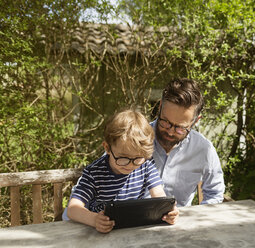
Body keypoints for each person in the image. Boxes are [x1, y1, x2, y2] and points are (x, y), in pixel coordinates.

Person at [66, 109, 179, 233]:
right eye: (123, 158)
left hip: (131, 229)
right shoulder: (94, 173)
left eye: (137, 158)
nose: (130, 165)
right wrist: (94, 220)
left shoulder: (145, 164)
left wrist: (167, 211)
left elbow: (159, 196)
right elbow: (73, 209)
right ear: (107, 148)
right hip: (102, 232)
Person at [150, 78, 225, 206]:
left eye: (180, 128)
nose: (170, 132)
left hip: (182, 222)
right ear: (160, 106)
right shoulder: (134, 139)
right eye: (165, 122)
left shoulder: (203, 149)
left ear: (195, 121)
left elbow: (214, 194)